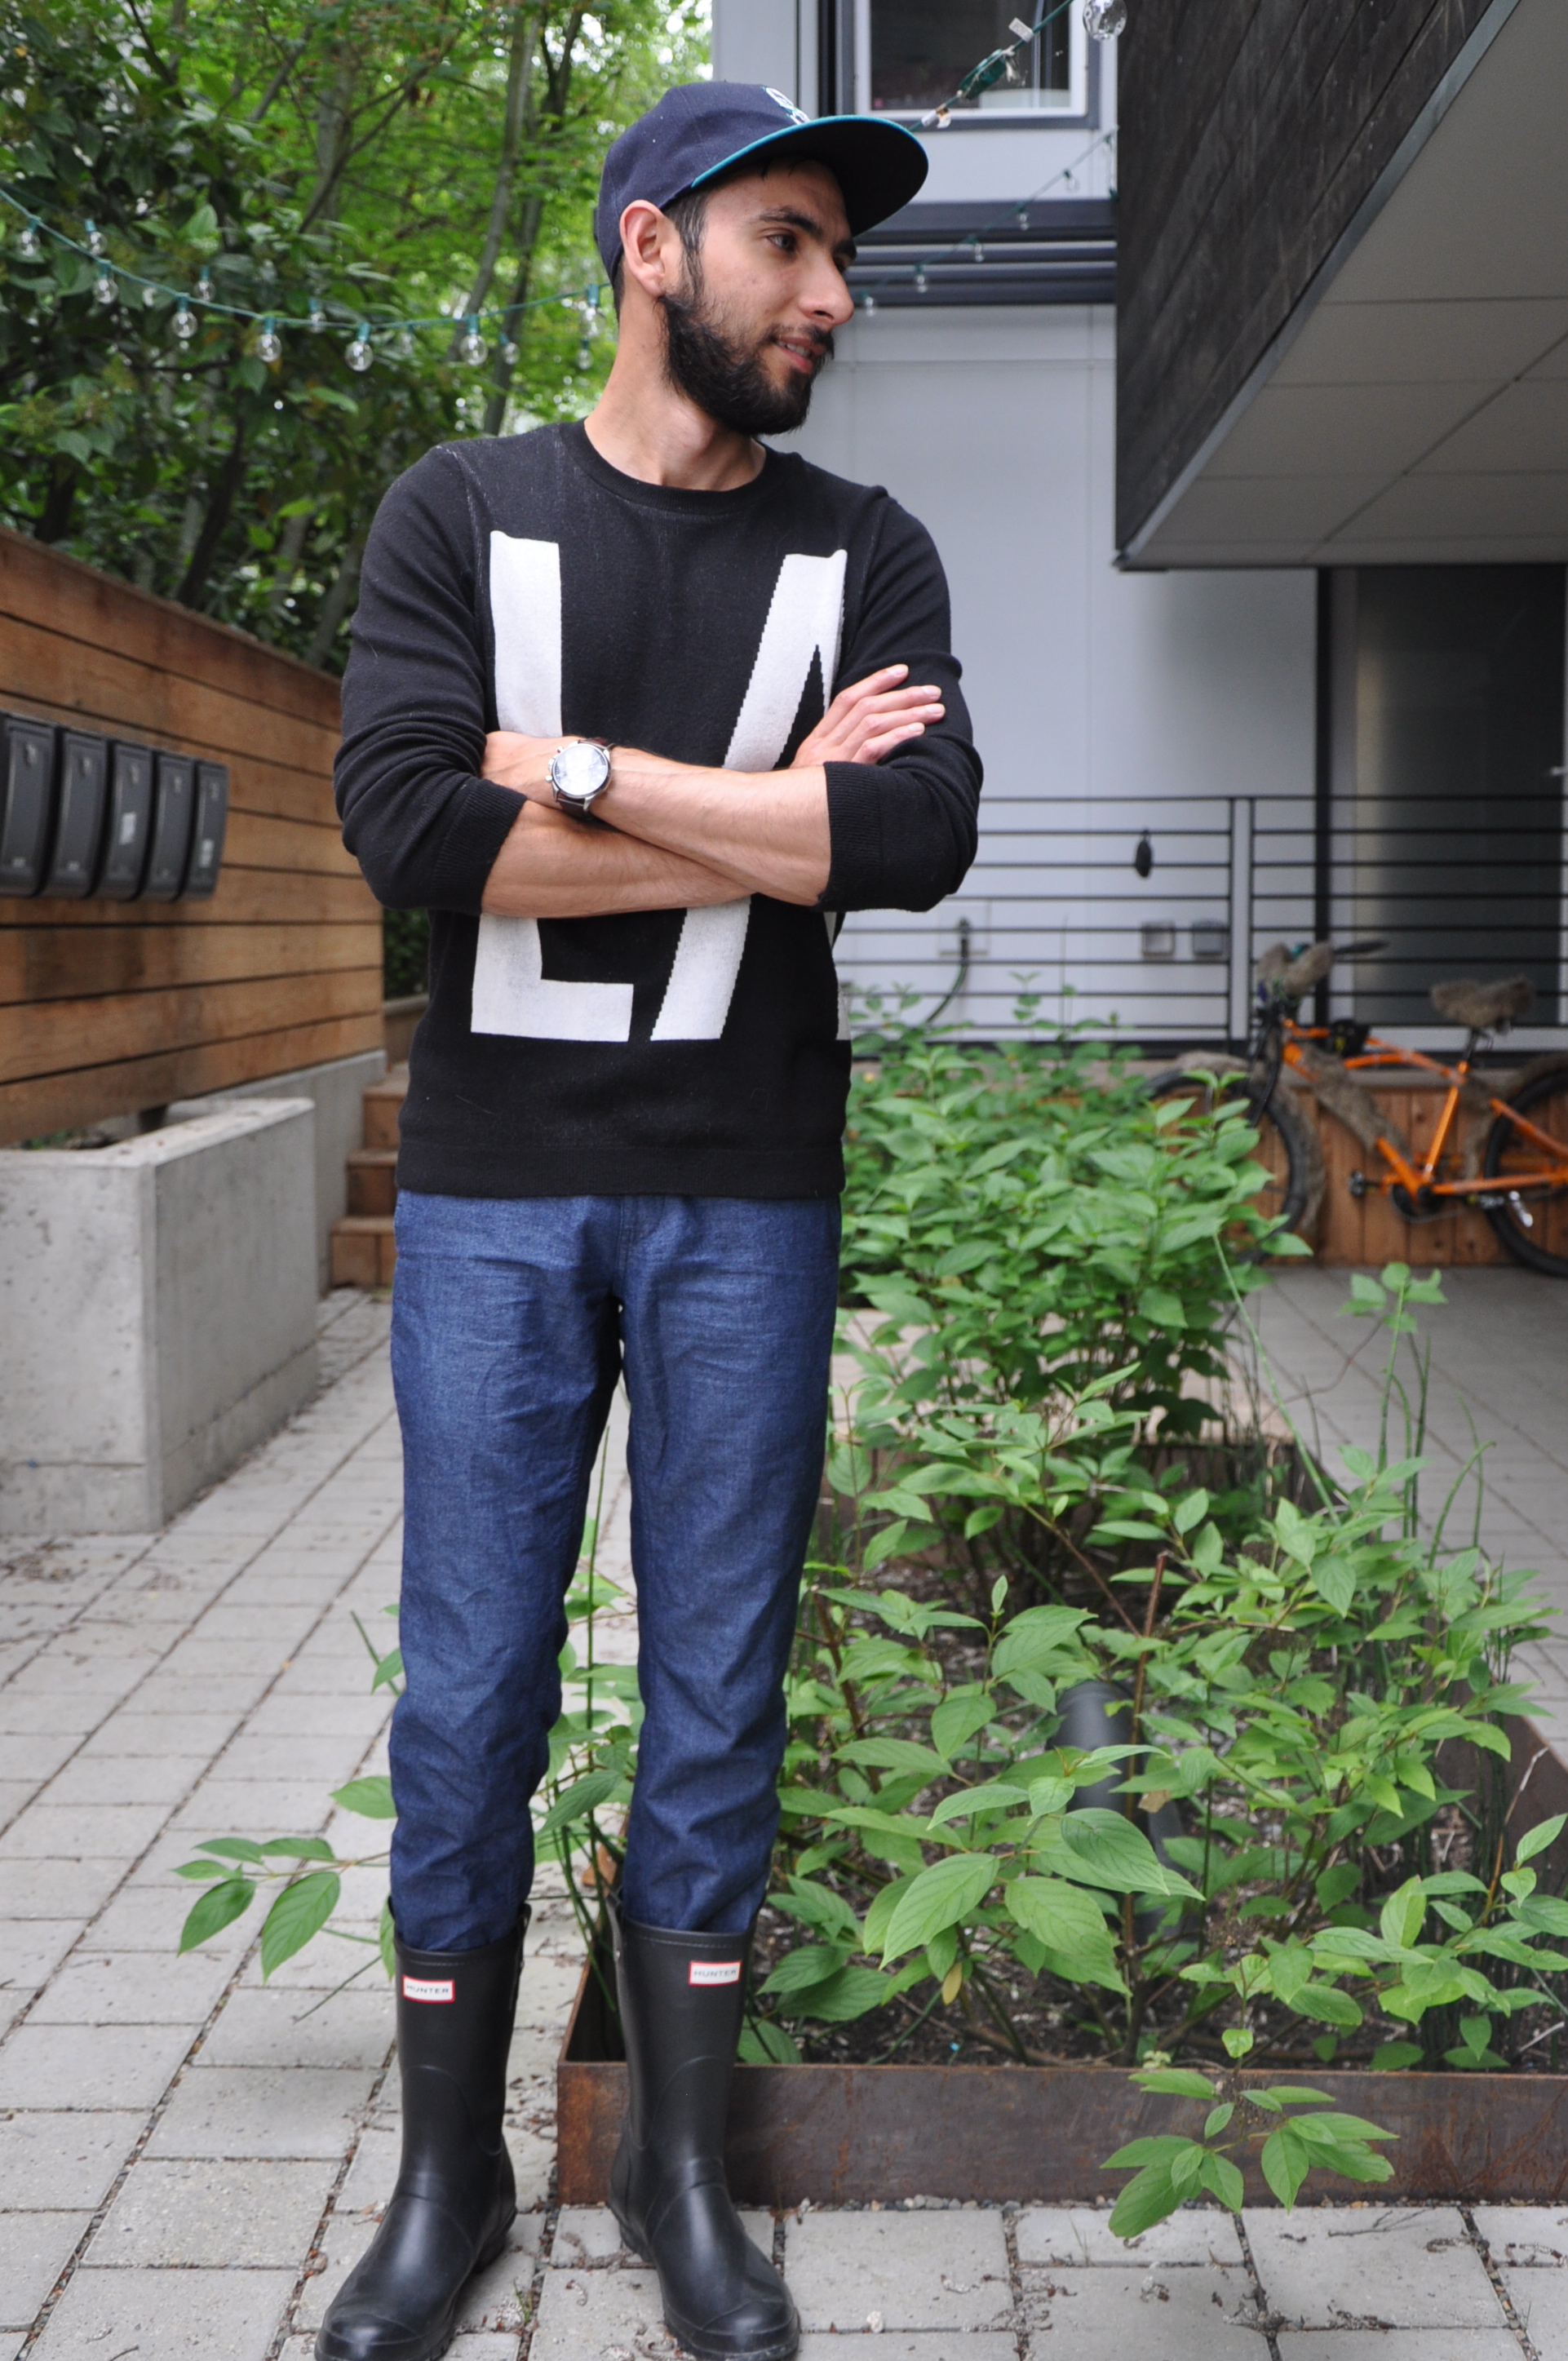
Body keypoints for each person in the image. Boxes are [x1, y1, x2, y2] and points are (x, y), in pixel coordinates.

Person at [325, 78, 981, 2361]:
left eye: (840, 256)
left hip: (744, 1195)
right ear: (649, 247)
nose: (832, 294)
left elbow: (912, 840)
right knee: (471, 1691)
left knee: (717, 1691)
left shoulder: (864, 549)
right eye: (789, 241)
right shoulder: (459, 510)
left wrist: (588, 772)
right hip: (494, 1198)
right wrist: (772, 815)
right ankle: (449, 2177)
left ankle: (679, 2180)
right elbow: (413, 828)